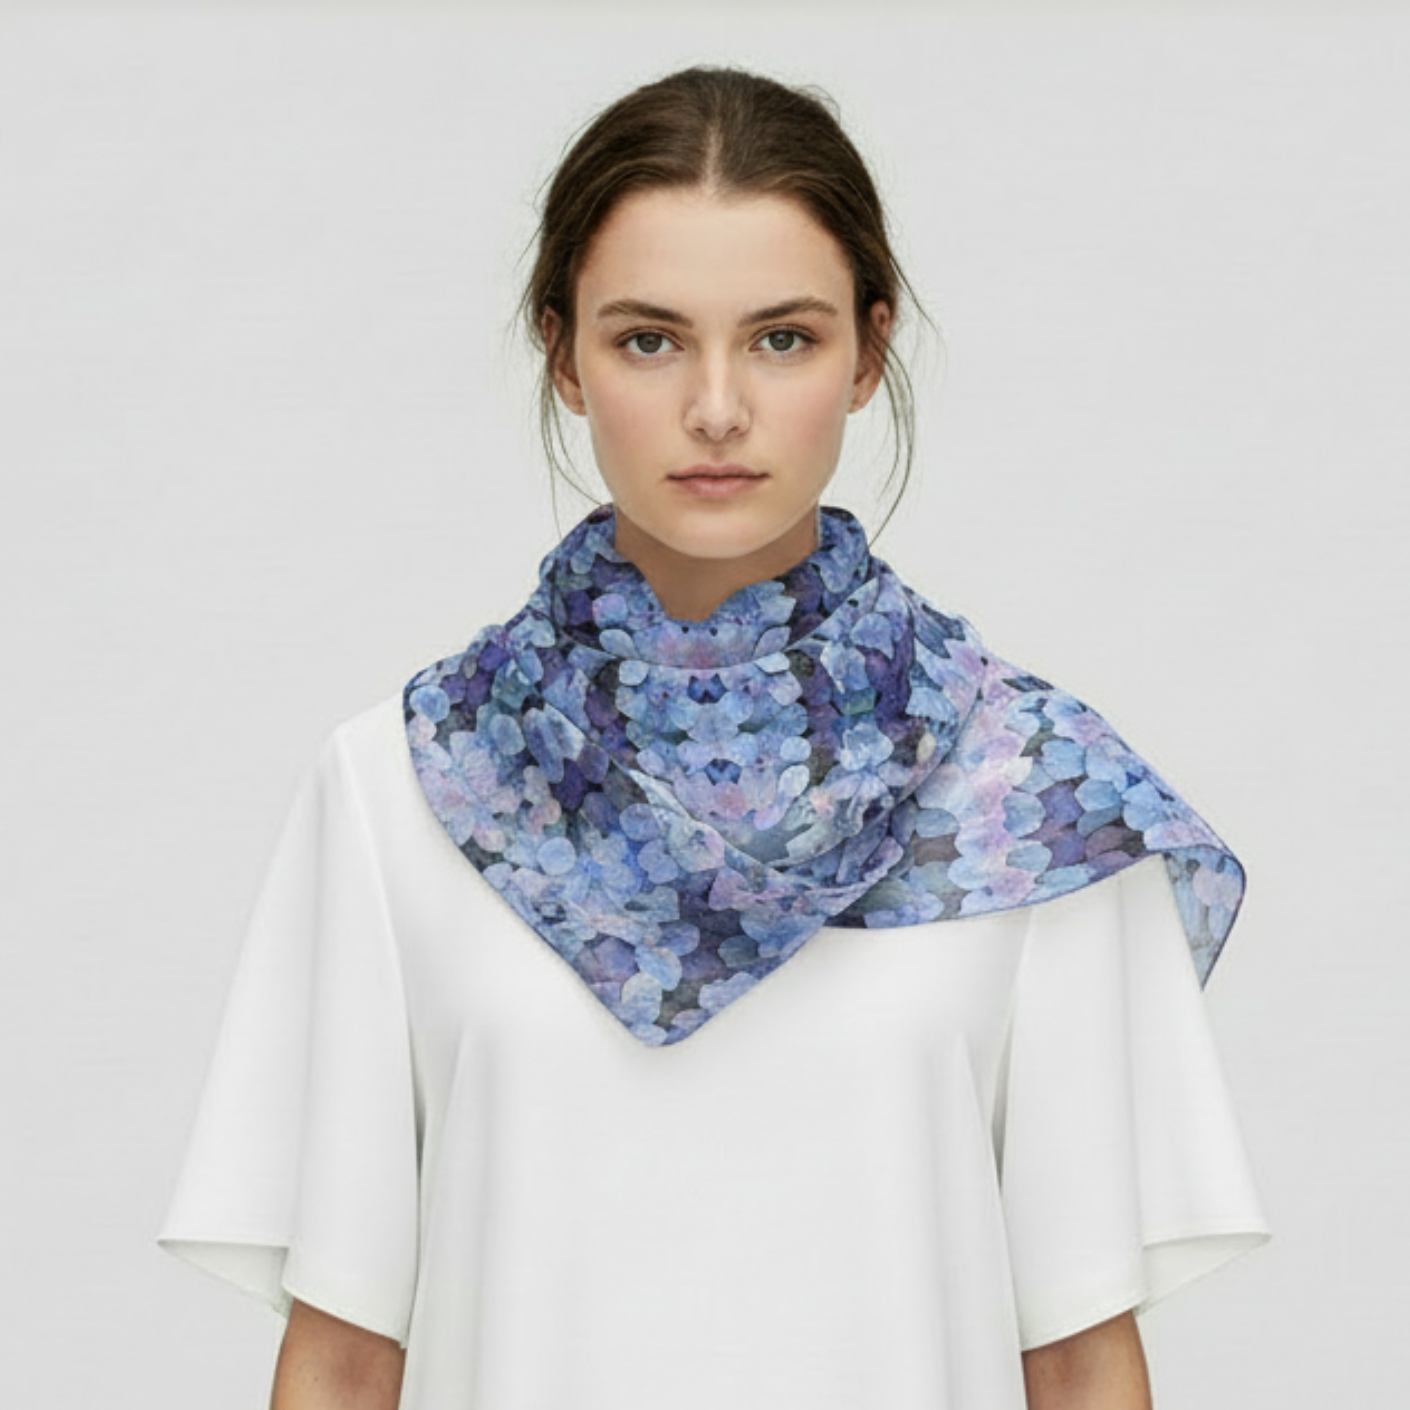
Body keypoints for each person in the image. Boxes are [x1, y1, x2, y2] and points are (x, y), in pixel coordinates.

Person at [157, 65, 1269, 1410]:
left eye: (782, 338)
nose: (718, 408)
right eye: (650, 340)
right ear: (561, 354)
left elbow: (1082, 1360)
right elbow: (341, 1358)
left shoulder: (1028, 800)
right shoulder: (403, 785)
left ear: (869, 352)